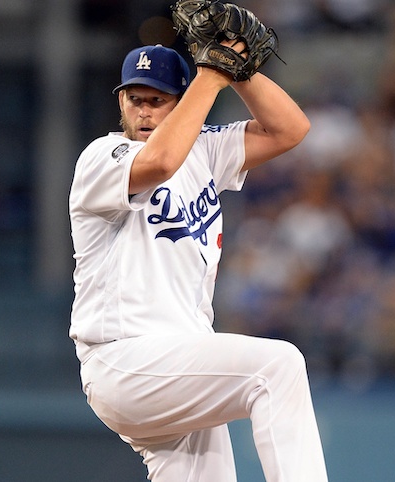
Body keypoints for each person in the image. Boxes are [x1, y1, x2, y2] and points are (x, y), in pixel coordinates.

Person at [68, 42, 329, 482]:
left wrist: (237, 68)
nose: (145, 112)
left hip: (182, 365)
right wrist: (212, 73)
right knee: (278, 366)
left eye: (158, 100)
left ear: (183, 100)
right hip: (125, 359)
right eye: (136, 100)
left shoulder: (204, 152)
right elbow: (161, 162)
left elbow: (290, 129)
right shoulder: (102, 157)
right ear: (120, 101)